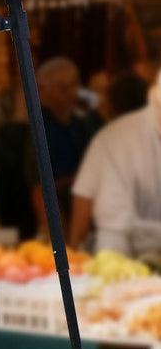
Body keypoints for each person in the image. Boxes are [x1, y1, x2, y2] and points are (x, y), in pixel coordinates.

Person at [70, 72, 161, 256]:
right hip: (117, 252)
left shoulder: (107, 137)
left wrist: (73, 251)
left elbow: (83, 205)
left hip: (115, 252)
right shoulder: (108, 137)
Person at [26, 57, 100, 233]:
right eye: (61, 87)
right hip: (61, 224)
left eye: (73, 85)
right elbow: (40, 190)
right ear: (43, 92)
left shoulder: (84, 125)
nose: (70, 93)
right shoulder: (40, 130)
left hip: (89, 221)